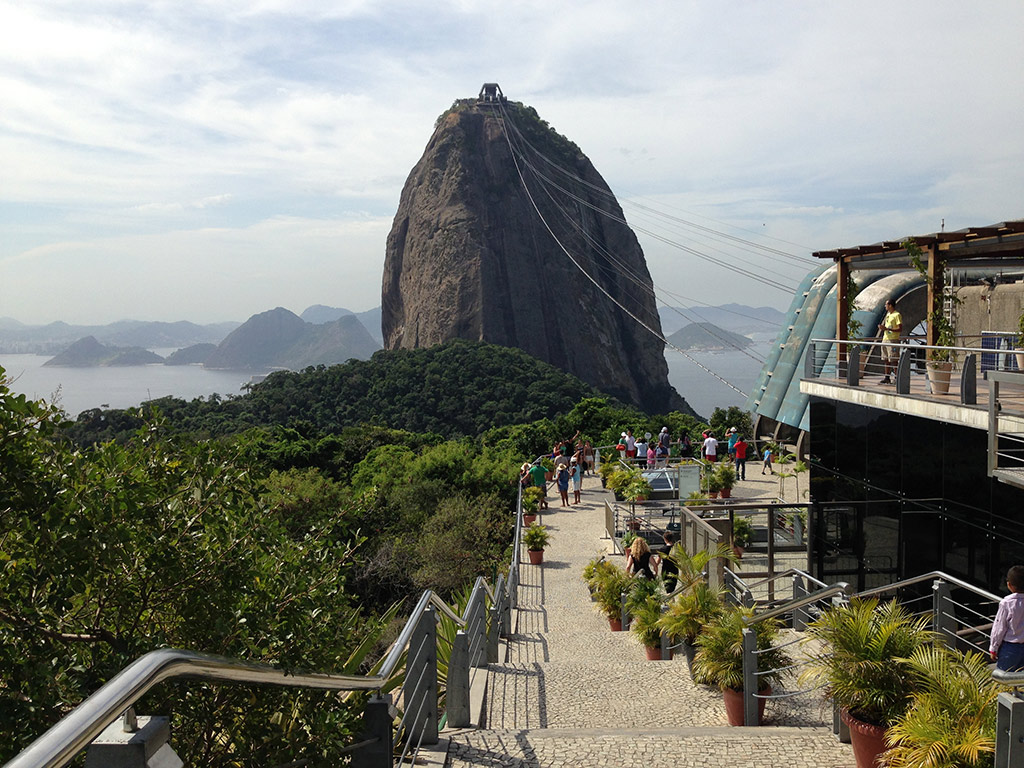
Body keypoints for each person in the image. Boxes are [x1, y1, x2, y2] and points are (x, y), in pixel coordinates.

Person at [991, 565, 1024, 671]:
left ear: (1009, 585)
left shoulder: (1007, 603)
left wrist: (993, 648)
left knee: (1004, 675)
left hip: (1010, 648)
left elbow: (999, 628)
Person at [877, 298, 902, 385]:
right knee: (886, 359)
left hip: (893, 340)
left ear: (890, 305)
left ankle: (897, 377)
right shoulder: (888, 314)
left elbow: (900, 328)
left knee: (894, 359)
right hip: (885, 339)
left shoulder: (897, 315)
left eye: (886, 304)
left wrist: (888, 329)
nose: (885, 306)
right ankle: (887, 377)